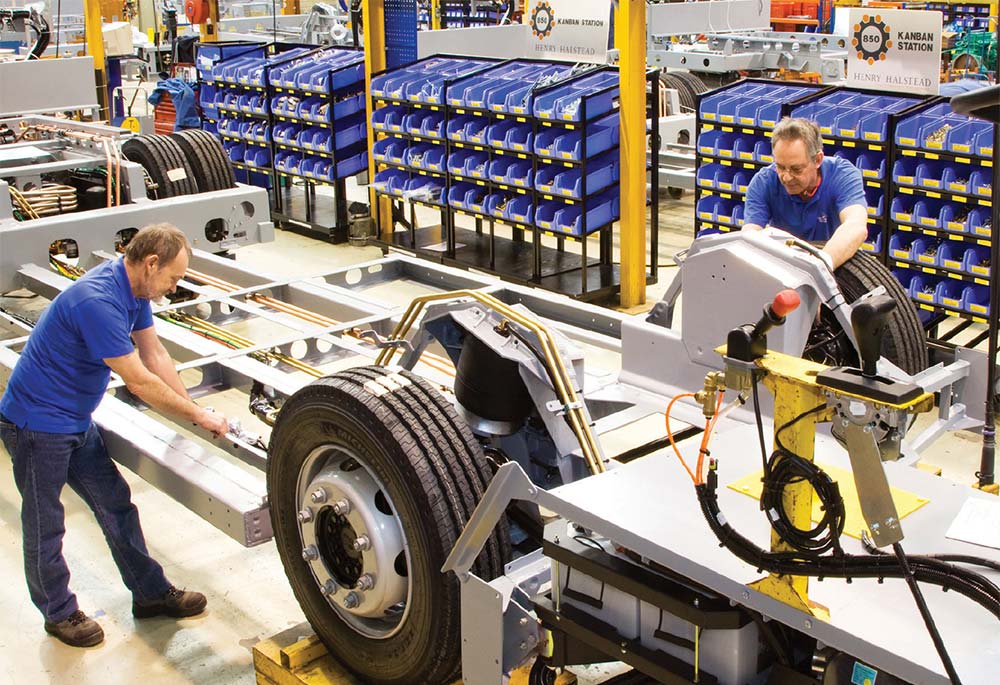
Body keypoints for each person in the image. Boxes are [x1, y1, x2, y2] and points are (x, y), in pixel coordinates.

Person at [0, 223, 229, 648]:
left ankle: (149, 593)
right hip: (37, 423)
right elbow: (139, 382)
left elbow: (154, 353)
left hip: (75, 417)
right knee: (45, 522)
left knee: (116, 505)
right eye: (174, 278)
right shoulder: (98, 301)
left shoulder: (137, 291)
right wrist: (196, 413)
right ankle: (59, 613)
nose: (174, 287)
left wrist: (197, 413)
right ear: (151, 263)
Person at [742, 117, 869, 270]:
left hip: (833, 262)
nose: (786, 177)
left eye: (796, 169)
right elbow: (750, 236)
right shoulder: (763, 182)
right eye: (780, 167)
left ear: (817, 160)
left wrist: (818, 268)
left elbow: (856, 226)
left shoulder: (843, 175)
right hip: (785, 265)